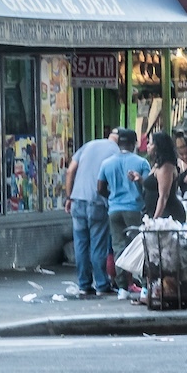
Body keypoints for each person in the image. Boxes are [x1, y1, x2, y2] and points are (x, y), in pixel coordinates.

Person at [65, 125, 119, 297]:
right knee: (98, 245)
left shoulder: (89, 145)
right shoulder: (116, 151)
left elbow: (70, 170)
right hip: (97, 201)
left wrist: (69, 196)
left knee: (80, 244)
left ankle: (84, 284)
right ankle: (102, 284)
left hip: (77, 200)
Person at [99, 129, 150, 291]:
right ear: (134, 143)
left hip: (114, 210)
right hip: (135, 209)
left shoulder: (106, 163)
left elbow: (100, 188)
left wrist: (112, 197)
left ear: (118, 143)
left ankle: (122, 288)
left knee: (119, 248)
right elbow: (148, 186)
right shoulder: (141, 163)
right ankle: (145, 284)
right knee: (140, 246)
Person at [142, 131, 180, 221]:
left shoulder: (166, 167)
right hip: (153, 212)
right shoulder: (157, 164)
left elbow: (164, 196)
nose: (147, 146)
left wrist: (155, 220)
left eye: (150, 144)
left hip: (166, 215)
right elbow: (153, 186)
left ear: (158, 146)